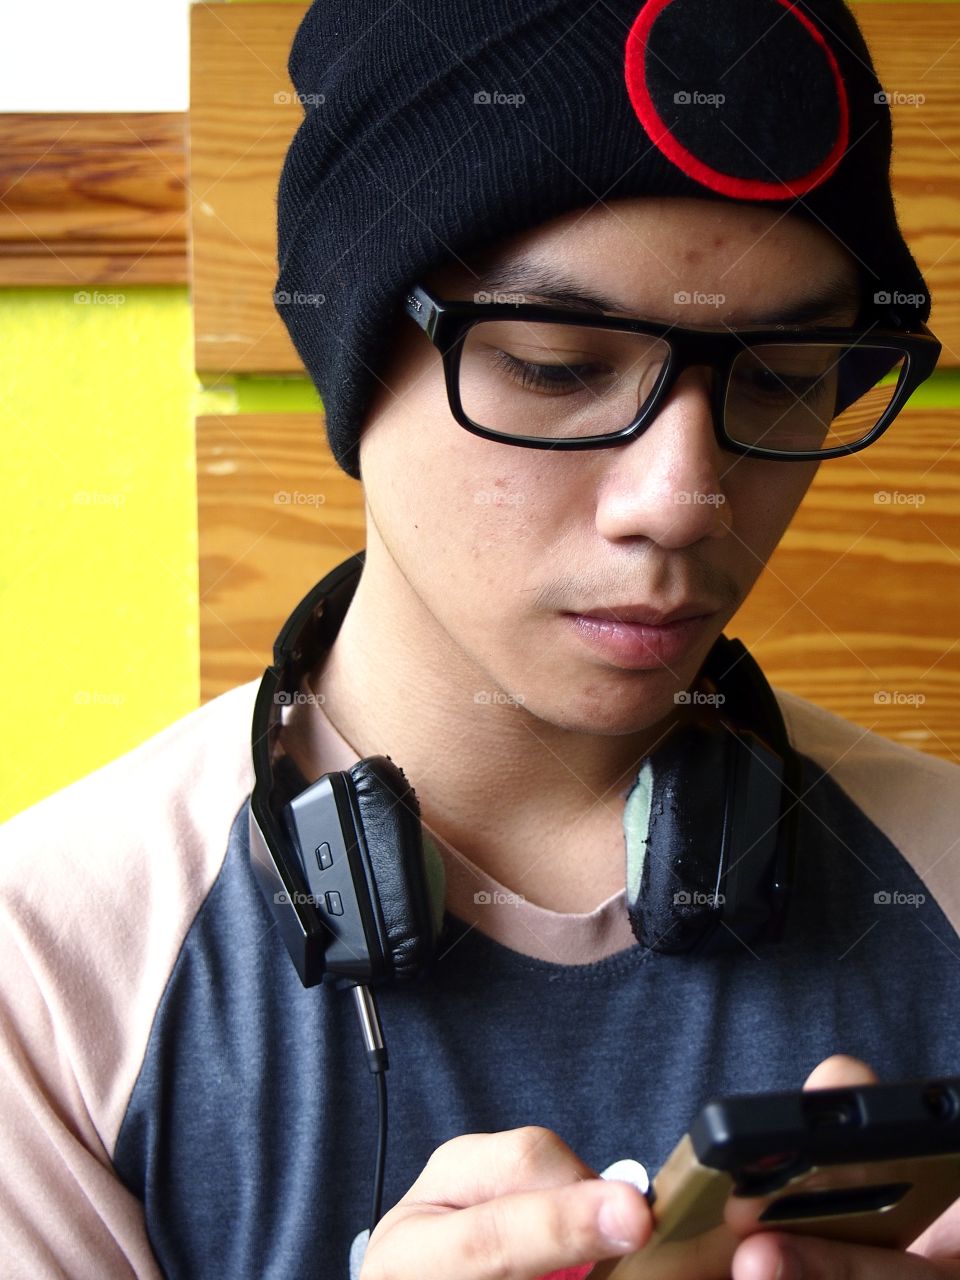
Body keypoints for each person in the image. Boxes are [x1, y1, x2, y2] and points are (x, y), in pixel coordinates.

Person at [1, 1, 959, 1278]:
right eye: (559, 366)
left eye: (783, 377)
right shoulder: (46, 978)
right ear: (357, 356)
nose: (685, 499)